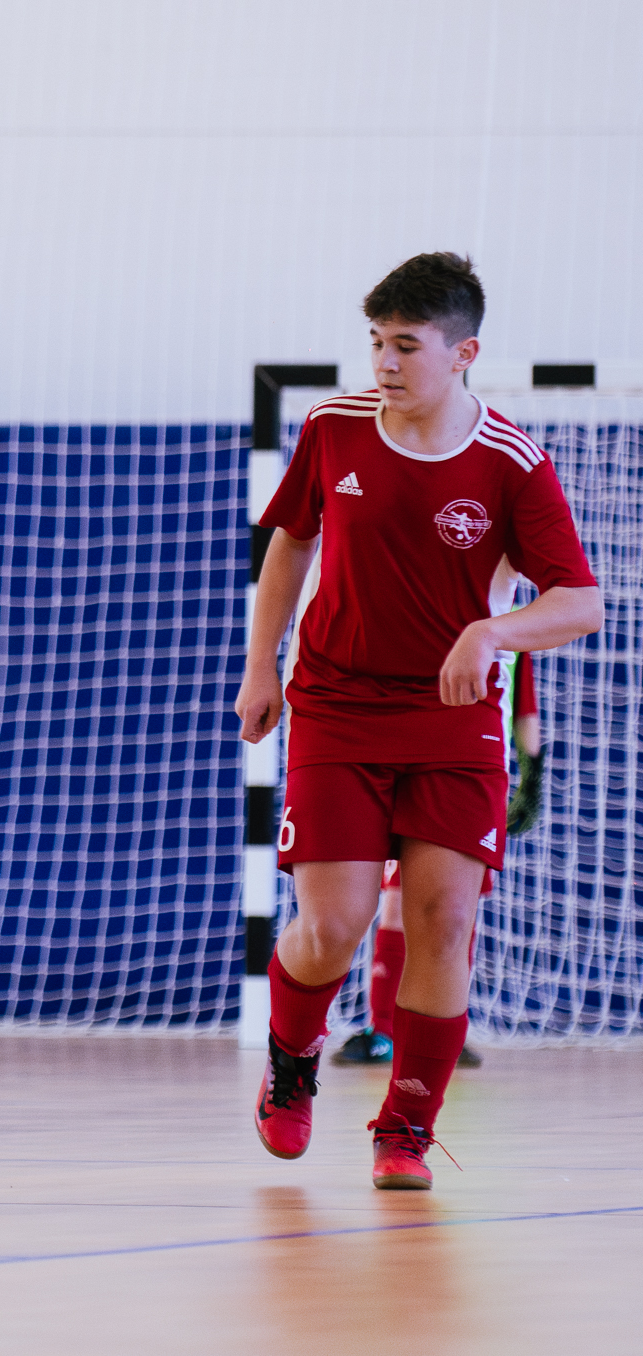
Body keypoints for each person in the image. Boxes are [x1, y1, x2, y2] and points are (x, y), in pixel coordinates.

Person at [236, 253, 600, 1190]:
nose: (385, 363)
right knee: (335, 922)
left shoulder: (512, 461)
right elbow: (291, 544)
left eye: (406, 345)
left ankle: (405, 1127)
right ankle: (292, 1058)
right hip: (337, 704)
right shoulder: (334, 428)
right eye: (375, 343)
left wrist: (492, 629)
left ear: (463, 352)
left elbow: (579, 603)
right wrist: (259, 664)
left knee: (443, 918)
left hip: (452, 720)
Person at [333, 652, 541, 1068]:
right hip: (414, 770)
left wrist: (532, 777)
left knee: (454, 912)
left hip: (474, 776)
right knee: (398, 904)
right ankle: (386, 1029)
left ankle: (443, 1027)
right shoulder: (438, 619)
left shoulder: (512, 634)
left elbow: (525, 709)